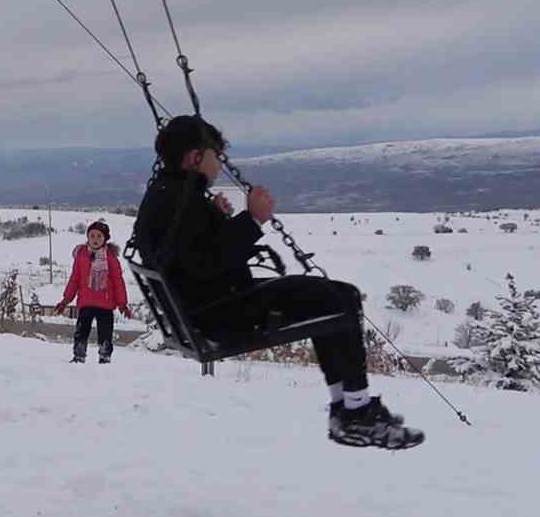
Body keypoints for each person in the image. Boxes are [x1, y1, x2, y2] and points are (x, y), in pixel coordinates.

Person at [131, 115, 423, 450]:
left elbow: (192, 251)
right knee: (338, 300)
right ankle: (354, 413)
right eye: (216, 155)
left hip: (212, 304)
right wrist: (252, 220)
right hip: (225, 313)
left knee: (337, 295)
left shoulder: (168, 194)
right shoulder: (180, 203)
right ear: (196, 156)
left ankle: (349, 408)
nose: (220, 163)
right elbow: (206, 264)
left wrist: (215, 217)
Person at [54, 219, 131, 363]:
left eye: (99, 236)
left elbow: (118, 282)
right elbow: (74, 280)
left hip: (106, 303)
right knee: (81, 331)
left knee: (105, 333)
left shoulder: (111, 258)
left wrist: (122, 304)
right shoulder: (81, 256)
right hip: (86, 302)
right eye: (92, 236)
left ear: (105, 239)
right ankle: (79, 354)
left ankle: (105, 356)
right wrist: (65, 300)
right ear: (87, 237)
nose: (95, 239)